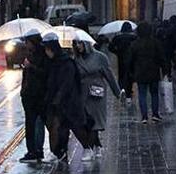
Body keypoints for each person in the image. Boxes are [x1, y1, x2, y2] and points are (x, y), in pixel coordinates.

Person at [73, 38, 123, 161]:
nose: (78, 46)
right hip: (82, 93)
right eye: (75, 44)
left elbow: (109, 75)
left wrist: (117, 92)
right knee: (86, 120)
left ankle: (89, 148)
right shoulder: (76, 59)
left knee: (95, 120)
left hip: (96, 91)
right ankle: (97, 145)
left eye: (80, 43)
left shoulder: (100, 57)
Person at [41, 33, 86, 163]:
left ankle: (88, 147)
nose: (46, 52)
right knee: (60, 128)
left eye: (48, 49)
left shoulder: (67, 63)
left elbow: (67, 83)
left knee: (74, 127)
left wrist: (58, 99)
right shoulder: (52, 63)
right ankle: (60, 152)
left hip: (68, 102)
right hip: (56, 102)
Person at [19, 30, 48, 163]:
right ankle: (31, 150)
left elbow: (45, 74)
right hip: (28, 95)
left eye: (28, 42)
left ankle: (37, 150)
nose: (26, 44)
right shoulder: (29, 55)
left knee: (37, 123)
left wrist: (31, 67)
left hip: (39, 95)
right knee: (30, 123)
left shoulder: (43, 55)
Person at [129, 22, 166, 124]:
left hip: (140, 72)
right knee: (154, 94)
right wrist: (165, 70)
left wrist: (131, 72)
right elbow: (162, 57)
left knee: (142, 94)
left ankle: (144, 116)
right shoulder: (155, 43)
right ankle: (155, 114)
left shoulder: (135, 44)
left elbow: (131, 60)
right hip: (154, 71)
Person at [109, 22, 137, 104]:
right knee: (130, 76)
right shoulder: (134, 37)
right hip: (132, 59)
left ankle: (122, 89)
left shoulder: (117, 38)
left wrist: (117, 52)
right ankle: (129, 93)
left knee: (121, 75)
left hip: (121, 58)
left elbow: (110, 47)